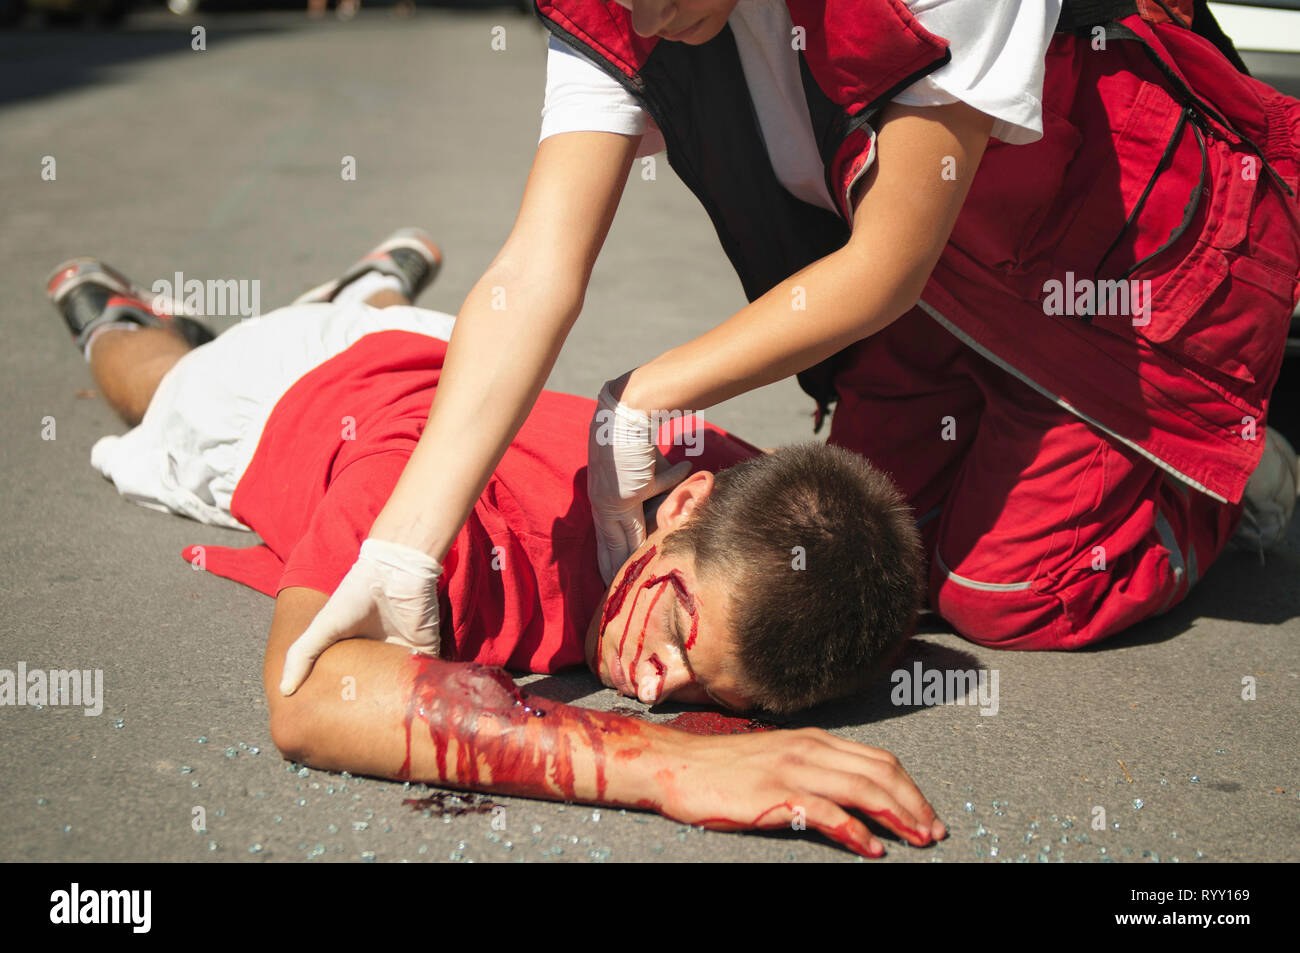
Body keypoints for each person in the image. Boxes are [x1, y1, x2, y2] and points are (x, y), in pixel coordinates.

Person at [288, 0, 1300, 686]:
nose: (626, 14)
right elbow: (533, 269)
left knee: (1013, 591)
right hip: (948, 285)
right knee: (874, 554)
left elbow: (891, 258)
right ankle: (1026, 424)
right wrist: (403, 551)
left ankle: (1222, 454)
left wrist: (643, 396)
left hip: (1120, 256)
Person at [45, 234, 942, 857]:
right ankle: (110, 315)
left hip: (455, 352)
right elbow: (309, 696)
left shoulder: (750, 506)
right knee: (155, 383)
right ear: (685, 508)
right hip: (269, 397)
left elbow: (856, 541)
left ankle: (370, 295)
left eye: (705, 689)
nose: (658, 683)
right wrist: (671, 763)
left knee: (407, 331)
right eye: (677, 631)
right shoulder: (446, 527)